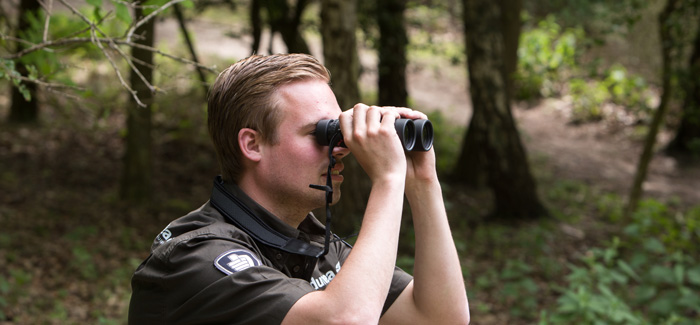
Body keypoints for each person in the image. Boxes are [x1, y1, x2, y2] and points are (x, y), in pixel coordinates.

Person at [128, 53, 470, 324]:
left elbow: (440, 317)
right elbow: (346, 320)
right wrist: (387, 180)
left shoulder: (308, 242)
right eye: (320, 133)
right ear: (253, 144)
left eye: (340, 130)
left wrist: (422, 182)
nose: (341, 147)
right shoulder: (196, 258)